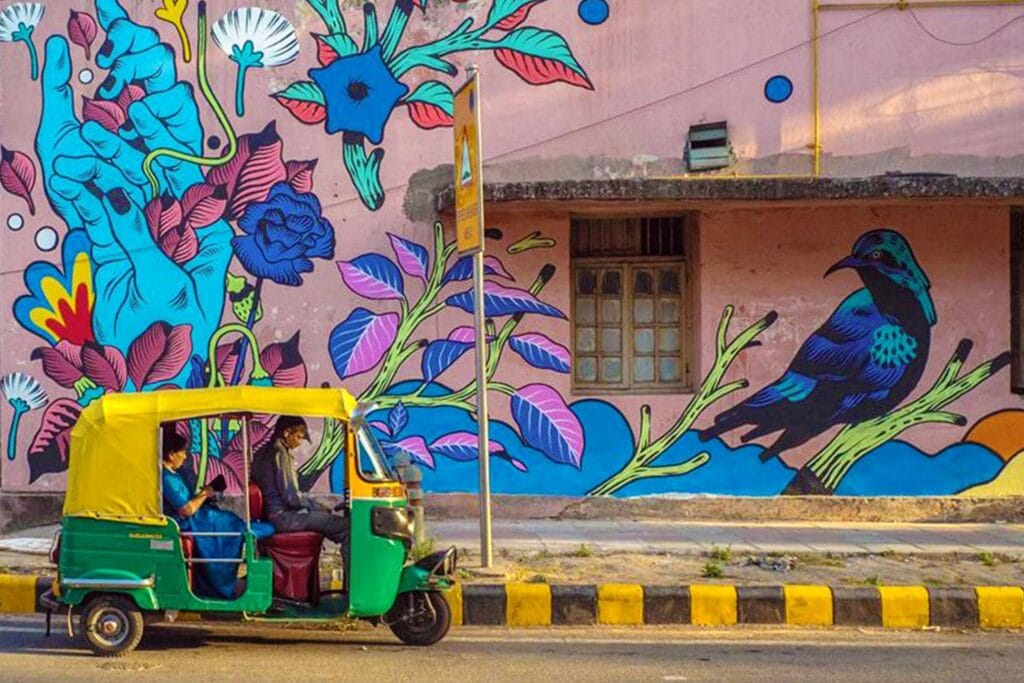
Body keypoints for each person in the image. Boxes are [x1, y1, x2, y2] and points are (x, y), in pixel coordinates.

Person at [251, 416, 349, 568]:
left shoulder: (263, 452)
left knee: (327, 520)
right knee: (347, 527)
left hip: (275, 515)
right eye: (298, 437)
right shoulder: (281, 454)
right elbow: (292, 498)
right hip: (284, 518)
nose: (299, 443)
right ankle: (353, 581)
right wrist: (317, 506)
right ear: (287, 433)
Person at [161, 428, 246, 600]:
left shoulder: (173, 475)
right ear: (171, 454)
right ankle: (219, 583)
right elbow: (187, 509)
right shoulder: (166, 478)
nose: (185, 457)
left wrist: (205, 494)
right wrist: (206, 492)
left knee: (231, 520)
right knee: (232, 524)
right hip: (188, 521)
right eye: (182, 452)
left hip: (197, 517)